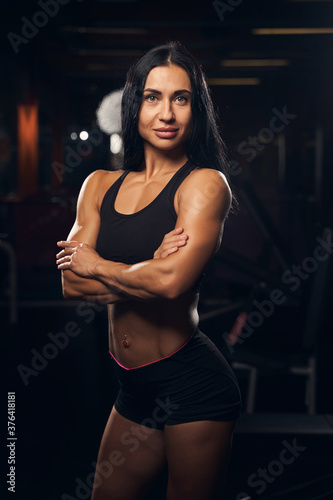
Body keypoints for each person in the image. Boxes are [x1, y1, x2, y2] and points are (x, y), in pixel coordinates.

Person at [56, 41, 241, 500]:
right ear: (134, 103)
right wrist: (147, 271)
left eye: (181, 98)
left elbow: (172, 281)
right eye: (154, 97)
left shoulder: (203, 184)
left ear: (194, 110)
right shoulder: (98, 185)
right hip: (133, 387)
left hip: (192, 384)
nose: (167, 113)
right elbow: (70, 283)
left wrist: (100, 265)